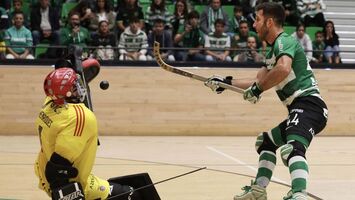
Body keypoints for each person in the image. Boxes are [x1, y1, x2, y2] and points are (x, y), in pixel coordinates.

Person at [204, 2, 328, 199]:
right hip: (300, 108)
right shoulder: (272, 52)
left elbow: (283, 69)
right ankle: (258, 191)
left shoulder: (284, 41)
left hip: (309, 105)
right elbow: (258, 80)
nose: (254, 25)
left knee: (292, 148)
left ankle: (299, 195)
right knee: (266, 143)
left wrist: (258, 89)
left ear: (269, 22)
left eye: (258, 20)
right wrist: (225, 82)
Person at [35, 63, 144, 200]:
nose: (81, 88)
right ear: (68, 93)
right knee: (134, 195)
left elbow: (59, 85)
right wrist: (70, 195)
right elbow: (57, 170)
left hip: (43, 171)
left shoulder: (49, 103)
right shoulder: (81, 117)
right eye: (76, 87)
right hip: (69, 183)